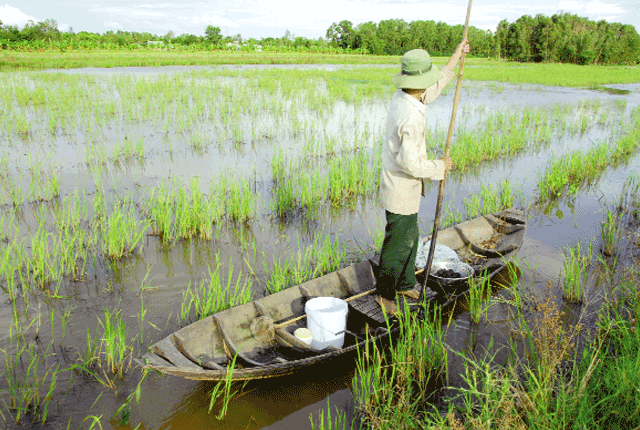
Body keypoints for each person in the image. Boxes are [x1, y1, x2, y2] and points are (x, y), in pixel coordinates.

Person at [376, 39, 470, 315]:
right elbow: (411, 164)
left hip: (406, 187)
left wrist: (455, 56)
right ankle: (385, 294)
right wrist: (439, 166)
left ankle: (405, 282)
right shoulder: (410, 117)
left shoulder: (405, 95)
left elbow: (432, 89)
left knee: (411, 237)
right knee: (398, 243)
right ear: (419, 82)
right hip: (401, 188)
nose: (430, 86)